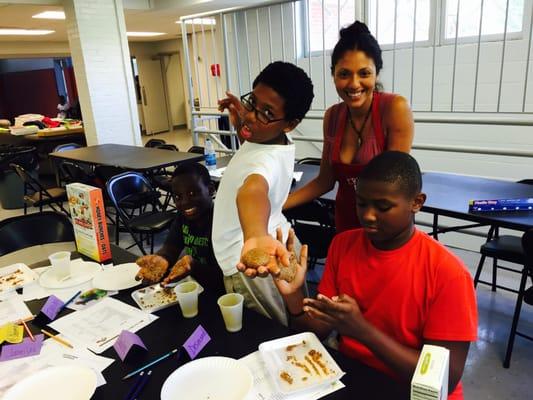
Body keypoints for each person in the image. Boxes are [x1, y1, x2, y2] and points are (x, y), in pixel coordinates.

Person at [242, 151, 477, 400]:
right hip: (353, 375)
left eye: (383, 207)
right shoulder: (343, 245)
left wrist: (362, 331)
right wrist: (293, 296)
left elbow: (445, 380)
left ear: (416, 202)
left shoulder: (449, 274)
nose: (368, 216)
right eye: (361, 203)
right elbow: (318, 330)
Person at [284, 21, 414, 233]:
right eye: (344, 74)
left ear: (376, 73)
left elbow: (395, 186)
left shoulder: (394, 108)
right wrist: (275, 207)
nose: (354, 84)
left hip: (385, 228)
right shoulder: (332, 116)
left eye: (364, 73)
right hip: (345, 222)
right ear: (333, 74)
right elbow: (324, 181)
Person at [213, 61, 314, 325]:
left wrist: (256, 235)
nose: (251, 116)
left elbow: (253, 189)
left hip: (256, 263)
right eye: (252, 102)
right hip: (276, 239)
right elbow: (253, 137)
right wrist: (240, 116)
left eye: (266, 113)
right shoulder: (273, 139)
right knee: (295, 315)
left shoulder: (263, 165)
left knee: (272, 332)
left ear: (290, 124)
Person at [135, 162, 225, 295]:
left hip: (220, 293)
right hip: (194, 287)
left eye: (192, 193)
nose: (184, 202)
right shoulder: (183, 217)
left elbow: (223, 277)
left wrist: (193, 266)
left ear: (211, 190)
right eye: (178, 197)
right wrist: (162, 259)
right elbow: (171, 248)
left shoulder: (221, 220)